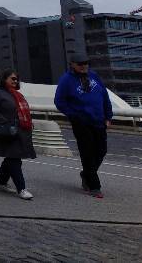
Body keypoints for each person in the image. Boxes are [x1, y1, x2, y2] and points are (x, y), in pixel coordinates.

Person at [54, 53, 113, 198]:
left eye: (86, 63)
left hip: (99, 120)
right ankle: (94, 186)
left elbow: (104, 96)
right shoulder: (66, 80)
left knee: (101, 150)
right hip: (81, 123)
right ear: (72, 64)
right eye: (80, 63)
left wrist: (108, 116)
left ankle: (85, 174)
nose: (84, 66)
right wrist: (75, 116)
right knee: (87, 152)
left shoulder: (94, 75)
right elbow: (59, 101)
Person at [0, 69, 36, 200]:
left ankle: (1, 183)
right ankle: (21, 189)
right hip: (7, 131)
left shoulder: (16, 94)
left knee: (11, 158)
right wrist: (5, 122)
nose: (15, 81)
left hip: (19, 131)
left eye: (16, 79)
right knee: (14, 159)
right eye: (12, 78)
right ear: (4, 79)